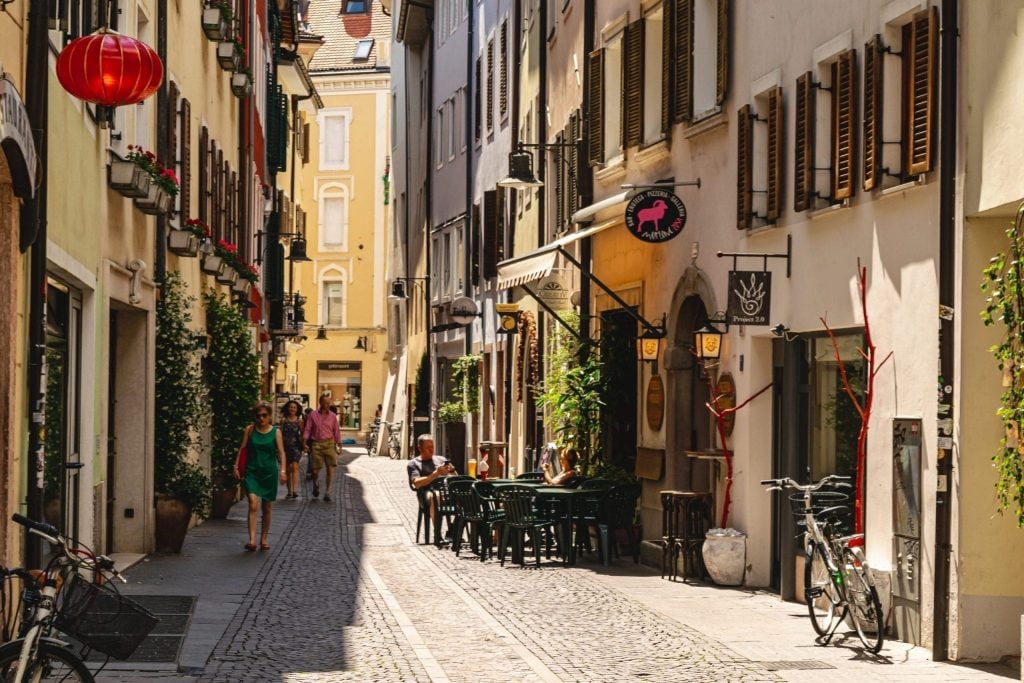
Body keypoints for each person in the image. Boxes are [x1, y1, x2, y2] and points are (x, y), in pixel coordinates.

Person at [233, 401, 287, 551]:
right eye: (258, 416)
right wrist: (236, 466)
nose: (261, 418)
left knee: (267, 506)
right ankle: (252, 540)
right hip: (252, 471)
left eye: (264, 415)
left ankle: (264, 538)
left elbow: (281, 453)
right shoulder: (250, 430)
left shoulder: (275, 432)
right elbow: (242, 449)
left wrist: (283, 471)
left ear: (269, 416)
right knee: (253, 503)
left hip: (269, 472)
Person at [407, 434, 456, 532]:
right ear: (420, 448)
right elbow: (416, 483)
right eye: (428, 447)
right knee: (435, 496)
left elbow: (455, 477)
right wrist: (436, 474)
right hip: (426, 492)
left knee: (467, 497)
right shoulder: (414, 463)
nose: (431, 450)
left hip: (446, 490)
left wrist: (451, 471)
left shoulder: (441, 459)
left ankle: (453, 531)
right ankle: (437, 533)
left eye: (432, 447)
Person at [303, 393, 341, 502]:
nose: (328, 405)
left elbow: (336, 431)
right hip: (316, 444)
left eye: (329, 403)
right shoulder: (313, 415)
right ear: (320, 403)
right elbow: (308, 429)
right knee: (315, 470)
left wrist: (339, 444)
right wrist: (304, 442)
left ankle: (328, 492)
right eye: (326, 403)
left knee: (330, 468)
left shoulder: (333, 416)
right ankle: (316, 484)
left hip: (329, 443)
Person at [279, 400, 306, 499]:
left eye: (294, 407)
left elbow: (302, 434)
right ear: (288, 408)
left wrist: (304, 445)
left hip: (296, 447)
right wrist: (279, 447)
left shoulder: (299, 421)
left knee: (295, 468)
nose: (292, 409)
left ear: (297, 409)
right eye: (291, 407)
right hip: (285, 447)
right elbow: (280, 434)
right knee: (287, 469)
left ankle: (294, 490)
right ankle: (289, 491)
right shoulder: (284, 420)